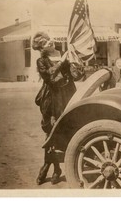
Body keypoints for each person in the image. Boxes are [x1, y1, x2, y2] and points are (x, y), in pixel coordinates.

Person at [32, 32, 77, 185]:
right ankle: (54, 167)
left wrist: (74, 62)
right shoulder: (41, 61)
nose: (50, 41)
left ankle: (50, 166)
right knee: (51, 133)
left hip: (68, 96)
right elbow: (50, 78)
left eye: (49, 39)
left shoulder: (64, 55)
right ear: (42, 48)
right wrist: (62, 62)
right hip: (51, 100)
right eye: (45, 42)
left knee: (66, 130)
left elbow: (76, 76)